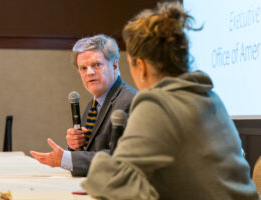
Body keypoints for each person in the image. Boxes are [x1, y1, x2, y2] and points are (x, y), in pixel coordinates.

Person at [81, 3, 260, 200]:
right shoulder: (210, 98)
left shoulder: (157, 104)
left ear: (140, 66)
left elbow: (114, 184)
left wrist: (101, 163)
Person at [30, 34, 137, 177]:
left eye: (97, 65)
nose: (89, 72)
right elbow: (91, 152)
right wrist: (75, 146)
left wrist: (67, 159)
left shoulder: (129, 101)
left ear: (115, 65)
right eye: (83, 68)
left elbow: (119, 158)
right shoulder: (94, 104)